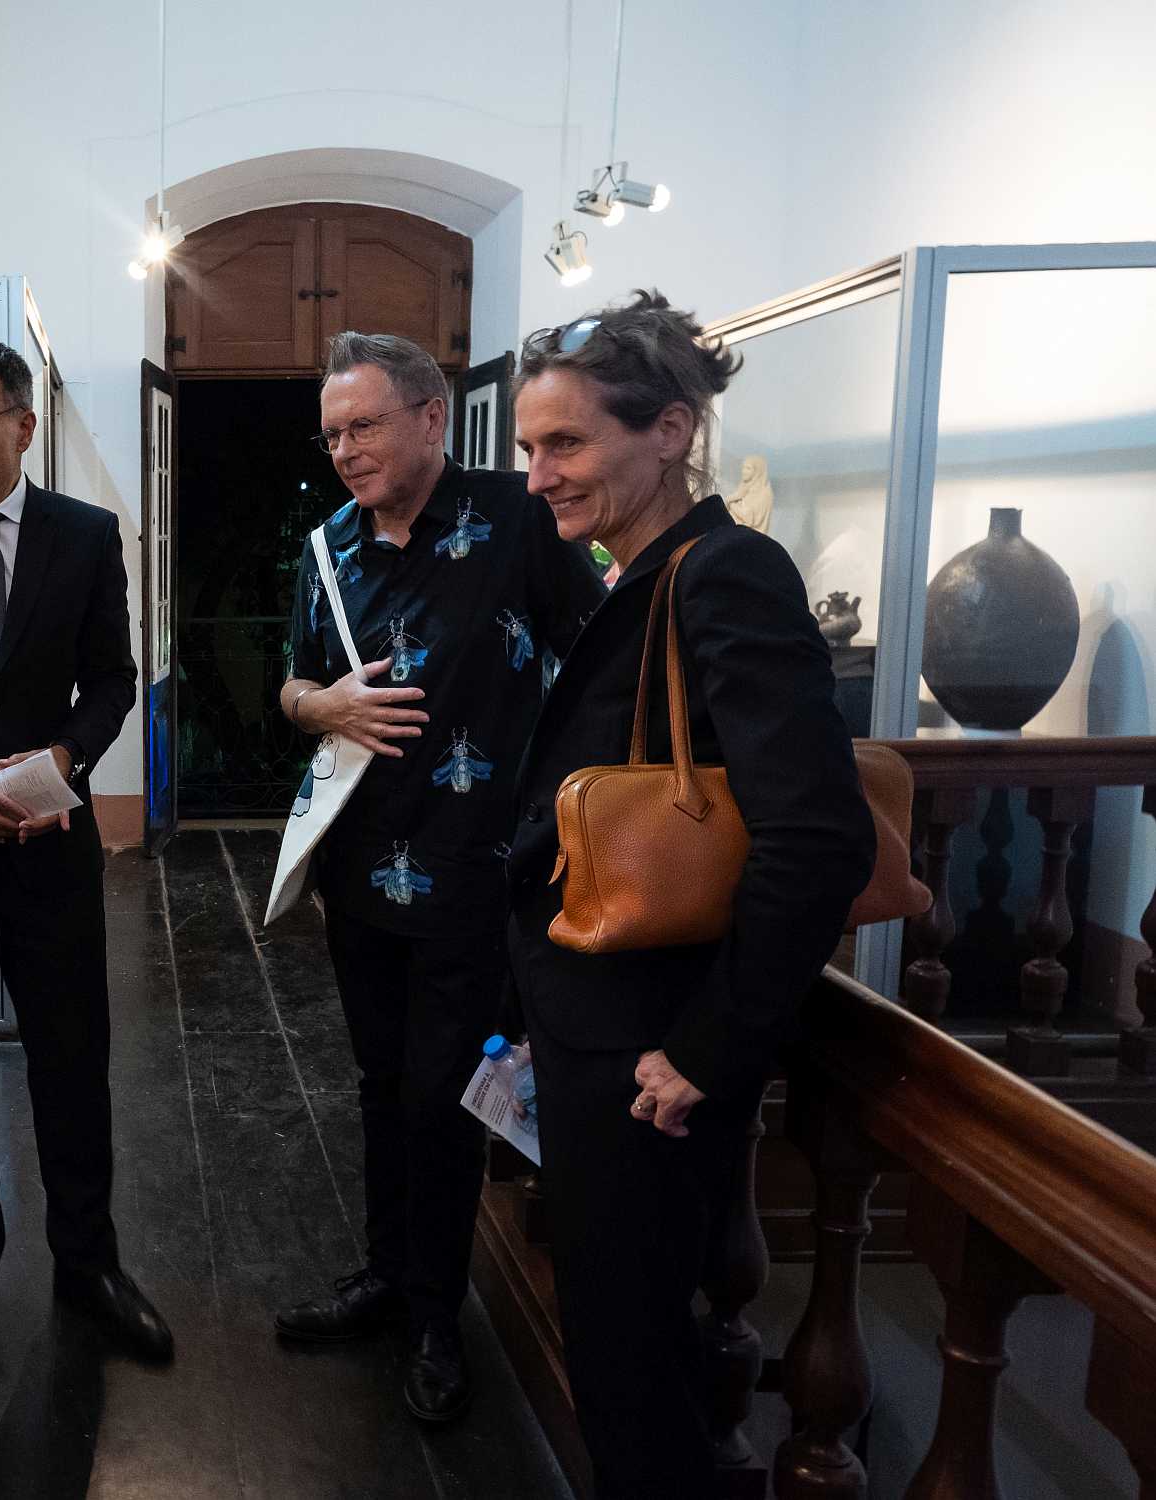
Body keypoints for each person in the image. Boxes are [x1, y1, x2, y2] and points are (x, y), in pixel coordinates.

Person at [504, 293, 875, 1497]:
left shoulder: (726, 573)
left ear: (669, 431)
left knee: (635, 1371)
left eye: (566, 443)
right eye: (530, 447)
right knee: (621, 1346)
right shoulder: (641, 573)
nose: (537, 476)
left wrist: (706, 1050)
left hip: (650, 1058)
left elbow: (817, 838)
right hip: (603, 1033)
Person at [274, 331, 606, 1422]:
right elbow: (292, 687)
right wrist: (319, 705)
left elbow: (596, 656)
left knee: (441, 1096)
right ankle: (386, 1275)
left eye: (364, 425)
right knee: (380, 1085)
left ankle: (435, 1315)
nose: (345, 450)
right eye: (332, 434)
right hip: (359, 867)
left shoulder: (519, 518)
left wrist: (559, 802)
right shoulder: (328, 544)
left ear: (431, 417)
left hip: (480, 871)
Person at [0, 333, 171, 1370]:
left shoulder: (83, 536)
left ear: (23, 426)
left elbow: (113, 678)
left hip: (48, 836)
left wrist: (65, 759)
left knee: (71, 1058)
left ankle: (88, 1264)